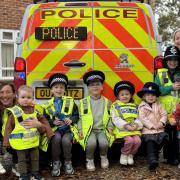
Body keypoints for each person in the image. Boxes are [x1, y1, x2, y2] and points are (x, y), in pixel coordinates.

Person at [3, 85, 54, 180]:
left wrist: (49, 133)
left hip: (33, 142)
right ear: (17, 98)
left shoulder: (36, 111)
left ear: (33, 98)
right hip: (20, 143)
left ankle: (35, 173)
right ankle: (23, 175)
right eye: (23, 97)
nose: (25, 100)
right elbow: (8, 128)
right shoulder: (14, 112)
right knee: (22, 160)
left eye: (29, 97)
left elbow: (44, 122)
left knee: (35, 159)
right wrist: (6, 142)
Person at [76, 70, 114, 171]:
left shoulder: (108, 102)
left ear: (102, 87)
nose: (95, 87)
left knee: (104, 143)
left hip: (102, 129)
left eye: (98, 84)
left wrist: (110, 126)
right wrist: (80, 130)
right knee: (91, 143)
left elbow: (110, 117)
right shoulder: (83, 102)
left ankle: (104, 157)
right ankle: (89, 159)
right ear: (88, 88)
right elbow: (80, 118)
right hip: (89, 130)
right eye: (92, 85)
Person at [43, 73, 79, 177]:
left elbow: (77, 115)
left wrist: (71, 120)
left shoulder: (70, 102)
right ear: (51, 90)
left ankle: (68, 162)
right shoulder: (47, 104)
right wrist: (52, 122)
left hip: (68, 129)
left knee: (66, 140)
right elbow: (45, 118)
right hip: (56, 130)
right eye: (56, 87)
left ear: (65, 90)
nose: (59, 89)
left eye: (61, 87)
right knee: (56, 139)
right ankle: (56, 162)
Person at [155, 45, 180, 165]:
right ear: (166, 61)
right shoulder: (160, 73)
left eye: (175, 59)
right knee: (168, 134)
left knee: (176, 134)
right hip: (164, 110)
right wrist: (170, 87)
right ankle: (169, 157)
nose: (173, 62)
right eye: (170, 60)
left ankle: (175, 156)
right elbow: (156, 90)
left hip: (178, 110)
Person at [138, 82, 168, 170]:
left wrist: (161, 123)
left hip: (159, 129)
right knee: (150, 142)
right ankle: (152, 160)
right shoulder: (142, 107)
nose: (151, 97)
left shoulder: (159, 105)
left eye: (153, 95)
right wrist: (151, 126)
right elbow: (142, 118)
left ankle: (161, 155)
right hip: (148, 130)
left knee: (164, 138)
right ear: (143, 97)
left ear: (156, 97)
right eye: (148, 95)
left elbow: (164, 114)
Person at [111, 81, 143, 165]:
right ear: (118, 96)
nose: (124, 96)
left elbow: (139, 117)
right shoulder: (115, 106)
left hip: (134, 129)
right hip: (122, 130)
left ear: (131, 95)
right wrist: (125, 125)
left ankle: (131, 155)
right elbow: (115, 118)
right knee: (129, 141)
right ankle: (124, 154)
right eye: (122, 94)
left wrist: (136, 125)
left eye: (127, 94)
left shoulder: (135, 106)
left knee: (137, 141)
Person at [0, 82, 18, 176]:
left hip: (18, 140)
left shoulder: (20, 108)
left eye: (8, 92)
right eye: (2, 92)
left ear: (14, 94)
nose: (4, 95)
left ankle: (17, 163)